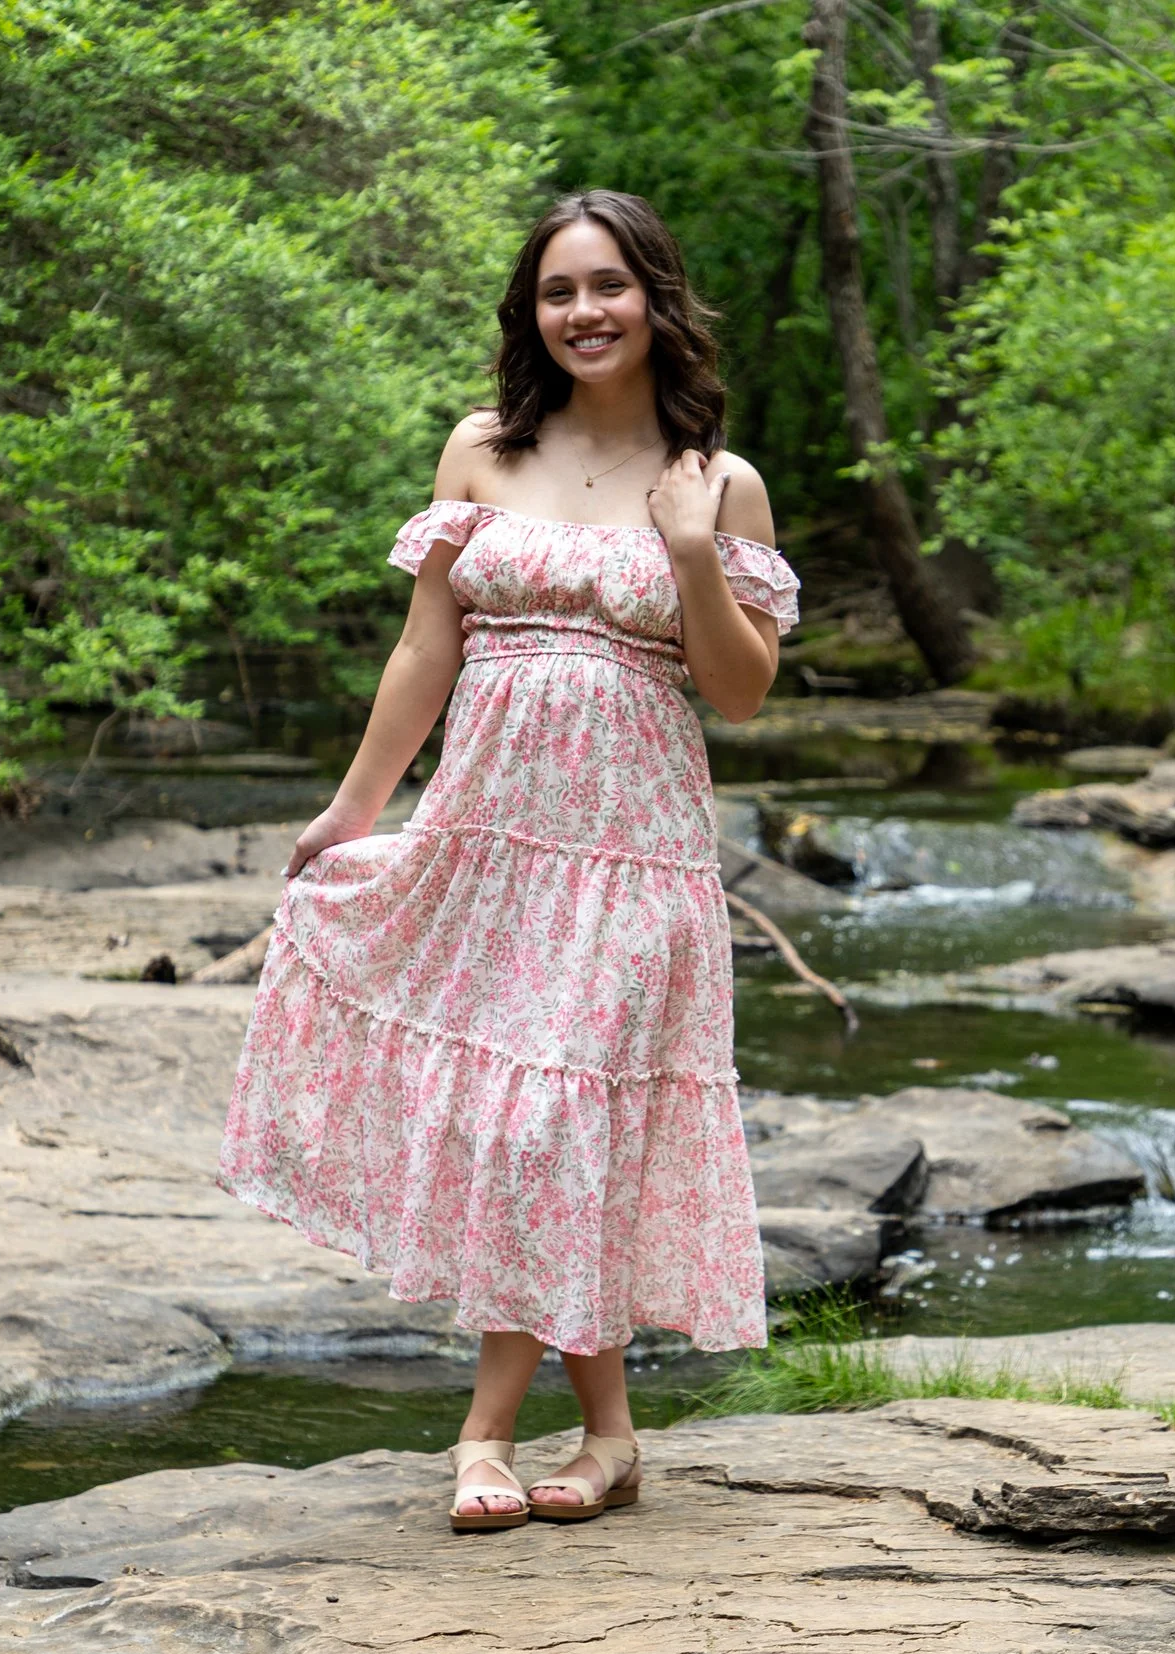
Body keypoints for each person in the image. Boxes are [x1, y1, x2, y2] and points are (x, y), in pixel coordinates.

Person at [218, 190, 796, 1531]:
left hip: (633, 857)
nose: (584, 311)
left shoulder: (720, 479)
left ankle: (484, 1431)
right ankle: (607, 1435)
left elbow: (743, 688)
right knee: (519, 1126)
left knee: (557, 1123)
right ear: (531, 313)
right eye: (558, 291)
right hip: (489, 847)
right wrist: (354, 809)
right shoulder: (484, 450)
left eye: (608, 285)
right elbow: (429, 646)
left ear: (655, 297)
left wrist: (696, 553)